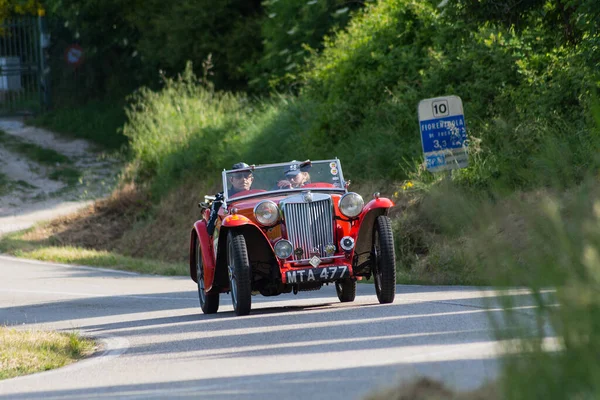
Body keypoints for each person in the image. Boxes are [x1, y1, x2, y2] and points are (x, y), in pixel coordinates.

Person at [206, 162, 252, 236]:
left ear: (251, 180)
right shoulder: (221, 198)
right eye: (238, 176)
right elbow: (210, 229)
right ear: (231, 180)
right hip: (230, 237)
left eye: (246, 176)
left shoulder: (258, 196)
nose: (243, 179)